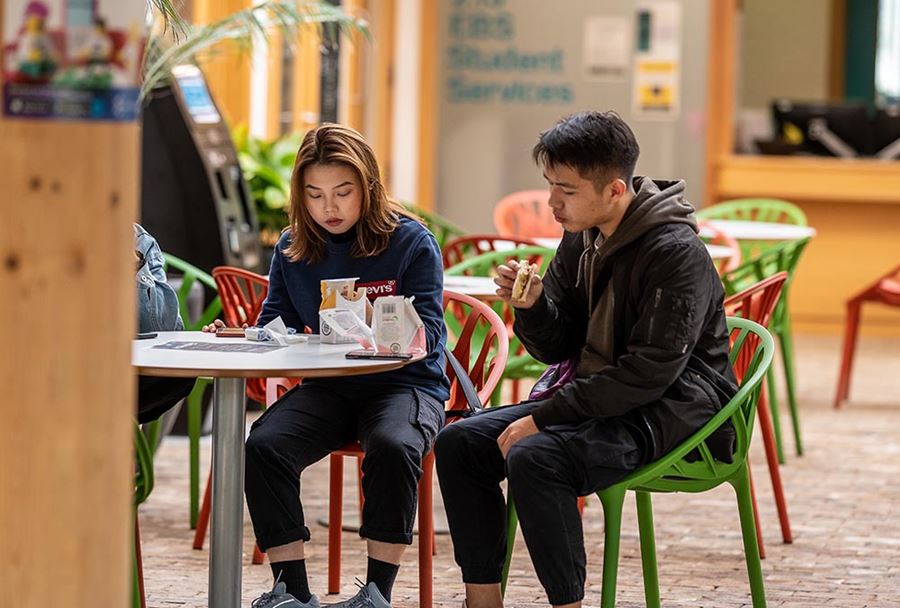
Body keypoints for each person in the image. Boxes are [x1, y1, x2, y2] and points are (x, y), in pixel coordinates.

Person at [434, 111, 739, 608]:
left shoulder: (676, 253)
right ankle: (482, 599)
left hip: (675, 410)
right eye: (550, 185)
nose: (552, 202)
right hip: (605, 398)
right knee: (460, 442)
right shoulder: (583, 235)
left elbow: (647, 373)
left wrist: (545, 417)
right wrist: (532, 308)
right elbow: (558, 346)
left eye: (566, 190)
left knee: (537, 456)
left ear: (615, 190)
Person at [203, 124, 450, 608]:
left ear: (368, 187)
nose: (329, 208)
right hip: (332, 387)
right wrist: (242, 333)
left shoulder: (410, 242)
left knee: (394, 444)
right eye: (314, 195)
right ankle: (291, 592)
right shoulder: (295, 247)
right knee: (265, 446)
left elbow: (434, 334)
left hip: (404, 384)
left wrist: (390, 329)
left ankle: (377, 593)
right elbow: (277, 324)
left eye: (342, 192)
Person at [135, 223, 195, 424]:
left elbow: (162, 331)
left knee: (179, 372)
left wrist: (134, 264)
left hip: (114, 373)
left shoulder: (140, 241)